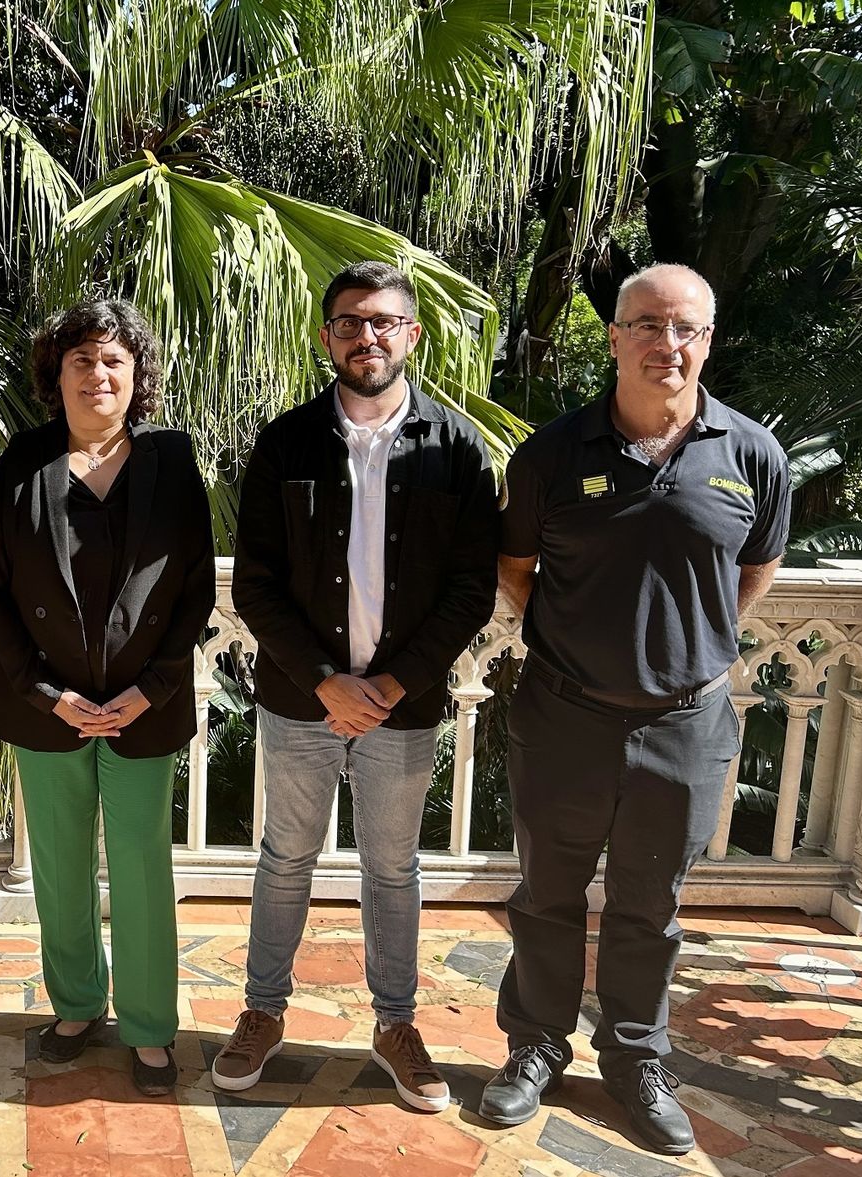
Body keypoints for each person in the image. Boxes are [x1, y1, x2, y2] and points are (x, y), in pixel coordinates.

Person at [478, 264, 789, 1155]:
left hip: (686, 724)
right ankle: (534, 1046)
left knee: (650, 906)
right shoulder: (551, 455)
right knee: (545, 894)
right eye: (647, 324)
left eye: (686, 327)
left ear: (708, 341)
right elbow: (515, 570)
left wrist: (699, 641)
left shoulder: (751, 453)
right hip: (564, 713)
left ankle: (633, 1059)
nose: (668, 343)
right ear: (615, 337)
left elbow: (757, 565)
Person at [218, 261, 499, 1108]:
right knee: (285, 859)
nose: (366, 336)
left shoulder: (455, 448)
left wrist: (391, 683)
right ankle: (262, 1011)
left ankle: (396, 1023)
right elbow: (254, 583)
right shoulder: (285, 442)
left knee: (391, 868)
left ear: (411, 334)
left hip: (404, 708)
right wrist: (323, 680)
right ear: (326, 337)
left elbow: (471, 587)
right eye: (349, 322)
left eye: (383, 322)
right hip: (301, 702)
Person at [0, 299, 214, 1096]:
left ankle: (148, 1027)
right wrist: (47, 692)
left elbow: (197, 594)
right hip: (48, 708)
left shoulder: (172, 461)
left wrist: (151, 689)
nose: (98, 374)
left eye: (113, 360)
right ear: (58, 373)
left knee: (141, 865)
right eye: (82, 360)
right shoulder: (25, 459)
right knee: (62, 867)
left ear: (136, 376)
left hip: (146, 704)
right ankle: (76, 1004)